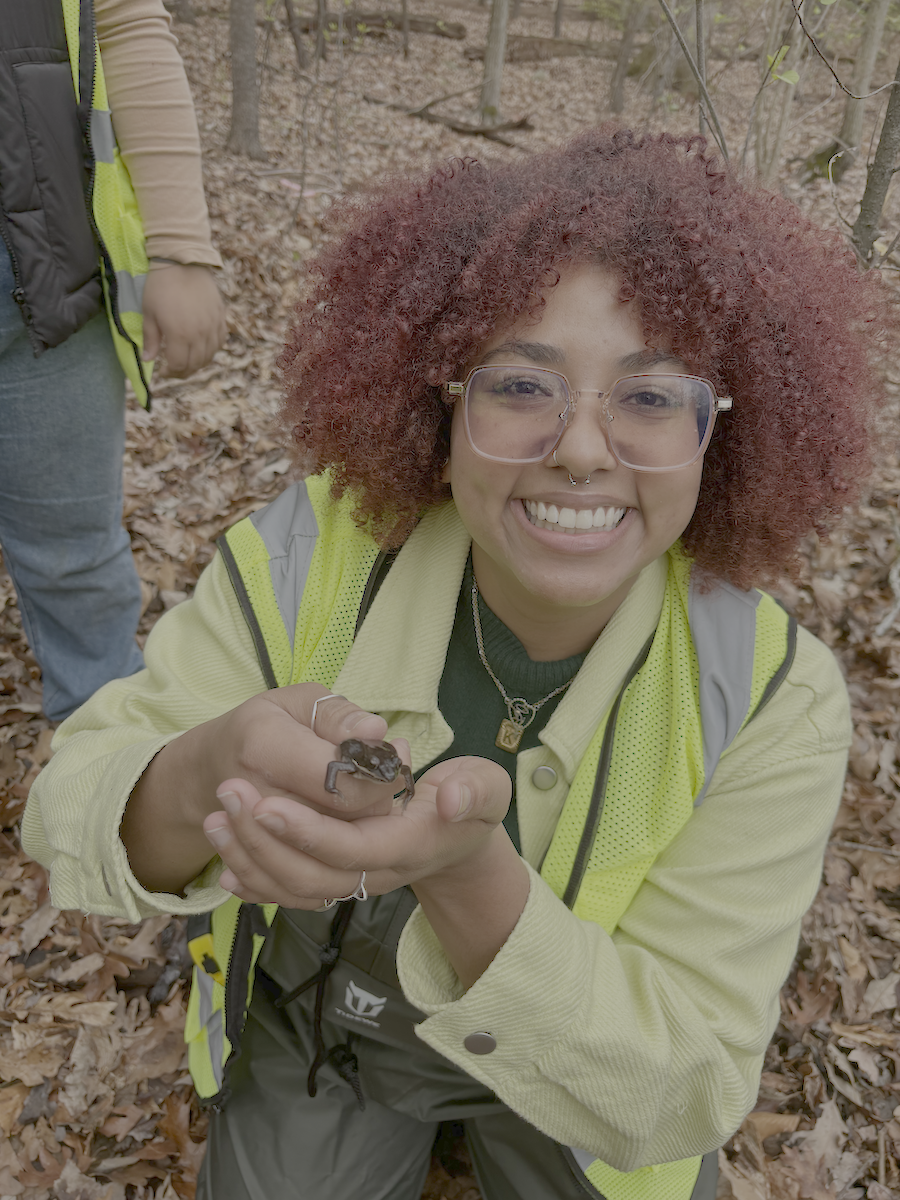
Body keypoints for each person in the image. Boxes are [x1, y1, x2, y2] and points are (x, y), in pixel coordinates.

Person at [24, 129, 885, 1200]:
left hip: (588, 1058)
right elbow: (69, 811)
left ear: (722, 432)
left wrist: (464, 874)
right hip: (330, 1022)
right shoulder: (312, 560)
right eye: (521, 385)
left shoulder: (765, 696)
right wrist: (203, 770)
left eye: (652, 398)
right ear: (442, 402)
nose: (582, 449)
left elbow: (685, 1085)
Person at [0, 0, 225, 722]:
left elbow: (125, 22)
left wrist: (179, 246)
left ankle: (106, 757)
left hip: (46, 276)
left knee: (76, 561)